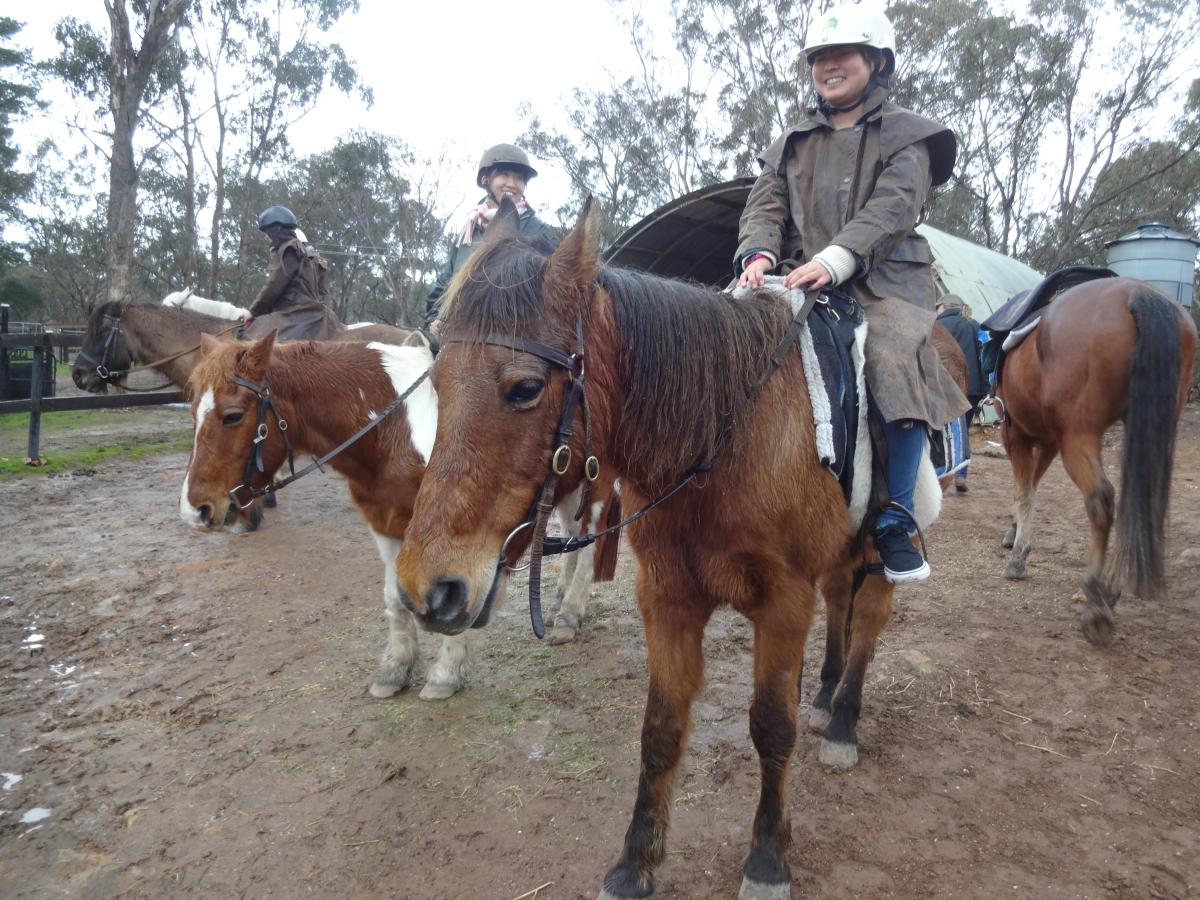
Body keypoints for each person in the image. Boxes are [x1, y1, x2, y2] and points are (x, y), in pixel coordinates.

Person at [735, 4, 968, 583]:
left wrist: (836, 259)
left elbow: (894, 208)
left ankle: (896, 516)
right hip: (794, 273)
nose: (828, 65)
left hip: (882, 280)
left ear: (877, 61)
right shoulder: (790, 141)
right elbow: (764, 204)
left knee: (891, 355)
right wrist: (758, 254)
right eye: (819, 57)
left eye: (842, 55)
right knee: (719, 330)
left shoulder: (910, 137)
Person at [422, 144, 557, 333]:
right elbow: (444, 285)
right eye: (504, 174)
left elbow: (551, 292)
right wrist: (434, 320)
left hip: (511, 339)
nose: (512, 183)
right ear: (486, 179)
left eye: (519, 178)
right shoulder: (468, 231)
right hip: (458, 334)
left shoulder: (539, 231)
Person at [243, 205, 339, 342]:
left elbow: (274, 285)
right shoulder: (310, 257)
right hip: (315, 313)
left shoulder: (290, 250)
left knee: (251, 339)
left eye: (267, 233)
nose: (266, 238)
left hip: (295, 313)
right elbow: (324, 294)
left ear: (275, 230)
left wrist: (253, 311)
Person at [936, 295, 984, 492]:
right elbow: (984, 354)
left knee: (940, 432)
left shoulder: (937, 326)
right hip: (972, 388)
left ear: (944, 307)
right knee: (962, 429)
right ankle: (961, 475)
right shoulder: (976, 326)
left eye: (937, 307)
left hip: (944, 385)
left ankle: (941, 474)